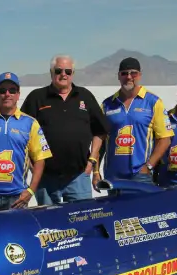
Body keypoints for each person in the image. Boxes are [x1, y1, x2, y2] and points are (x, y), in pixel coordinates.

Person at [20, 54, 110, 203]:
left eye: (68, 71)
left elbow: (100, 131)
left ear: (73, 73)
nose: (63, 75)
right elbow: (21, 133)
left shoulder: (85, 96)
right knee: (48, 217)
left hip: (79, 176)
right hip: (46, 177)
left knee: (81, 215)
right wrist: (32, 167)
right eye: (58, 71)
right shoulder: (37, 97)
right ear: (51, 72)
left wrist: (92, 159)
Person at [0, 72, 52, 213]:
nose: (7, 94)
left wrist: (31, 191)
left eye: (12, 90)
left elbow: (40, 159)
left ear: (18, 94)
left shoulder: (30, 123)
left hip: (17, 199)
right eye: (2, 90)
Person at [94, 57, 173, 184]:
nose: (129, 77)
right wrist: (96, 172)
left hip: (141, 176)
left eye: (133, 73)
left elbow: (165, 139)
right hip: (113, 176)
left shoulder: (153, 102)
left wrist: (148, 166)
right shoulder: (107, 104)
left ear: (140, 75)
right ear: (118, 76)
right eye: (124, 73)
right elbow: (99, 141)